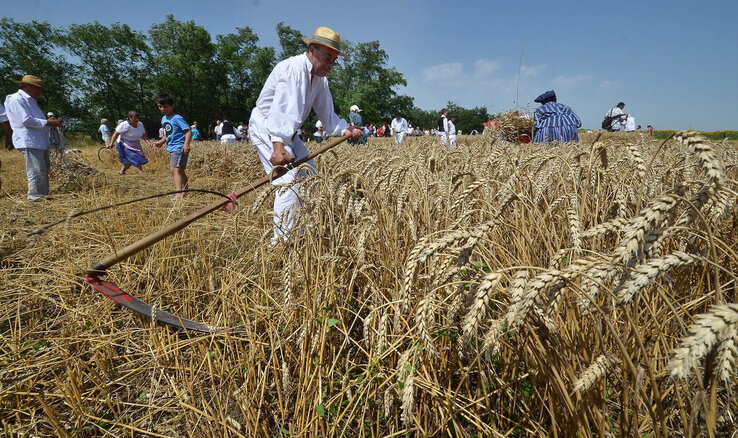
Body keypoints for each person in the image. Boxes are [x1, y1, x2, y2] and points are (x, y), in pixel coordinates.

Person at [248, 26, 363, 243]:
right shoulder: (293, 69)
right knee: (288, 181)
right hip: (267, 127)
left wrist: (345, 129)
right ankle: (282, 245)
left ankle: (301, 232)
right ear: (312, 50)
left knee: (309, 175)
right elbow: (281, 110)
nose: (330, 65)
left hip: (287, 133)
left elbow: (327, 114)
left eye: (334, 60)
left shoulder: (320, 80)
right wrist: (278, 146)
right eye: (328, 58)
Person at [4, 75, 63, 200]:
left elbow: (35, 121)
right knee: (36, 169)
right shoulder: (16, 99)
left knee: (43, 168)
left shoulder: (31, 101)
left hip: (39, 141)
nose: (41, 92)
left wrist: (48, 122)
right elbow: (26, 120)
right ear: (27, 87)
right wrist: (49, 122)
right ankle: (35, 196)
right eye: (38, 88)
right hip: (29, 140)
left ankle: (43, 194)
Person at [153, 94, 192, 200]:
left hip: (179, 148)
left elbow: (188, 131)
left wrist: (186, 144)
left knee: (174, 170)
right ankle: (186, 190)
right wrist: (161, 142)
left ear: (172, 106)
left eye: (165, 106)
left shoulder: (177, 118)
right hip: (171, 148)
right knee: (179, 170)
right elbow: (168, 134)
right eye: (160, 107)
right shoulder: (163, 119)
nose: (162, 109)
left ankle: (179, 194)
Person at [108, 110, 153, 175]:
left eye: (137, 118)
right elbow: (115, 134)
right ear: (129, 118)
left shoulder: (140, 125)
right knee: (135, 158)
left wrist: (148, 142)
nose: (137, 120)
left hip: (135, 144)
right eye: (134, 118)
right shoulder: (124, 125)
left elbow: (143, 135)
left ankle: (122, 172)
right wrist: (111, 143)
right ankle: (142, 174)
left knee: (129, 160)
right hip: (123, 144)